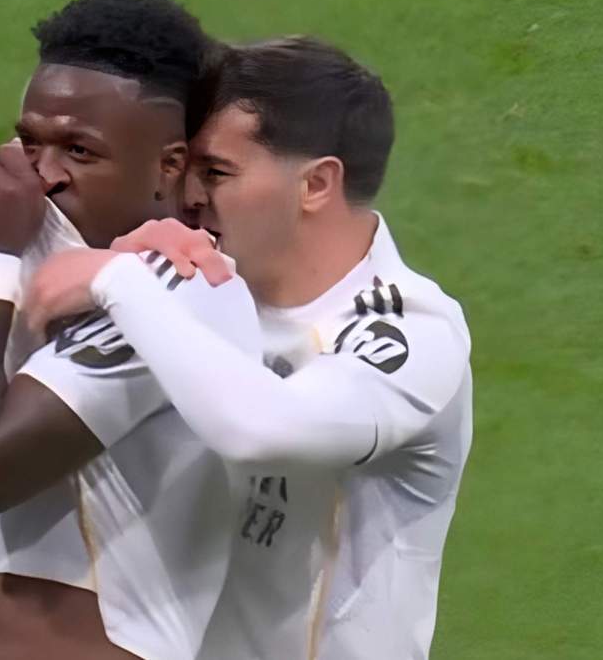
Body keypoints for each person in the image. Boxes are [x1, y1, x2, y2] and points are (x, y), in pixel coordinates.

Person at [27, 36, 473, 659]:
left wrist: (116, 280)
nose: (188, 196)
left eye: (217, 172)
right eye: (187, 170)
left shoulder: (410, 332)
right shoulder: (186, 284)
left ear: (316, 184)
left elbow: (263, 428)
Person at [0, 0, 264, 658]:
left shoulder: (181, 292)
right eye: (29, 140)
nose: (44, 175)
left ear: (168, 166)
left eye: (79, 149)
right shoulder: (27, 264)